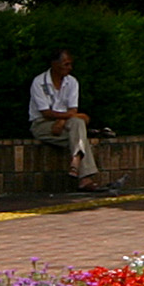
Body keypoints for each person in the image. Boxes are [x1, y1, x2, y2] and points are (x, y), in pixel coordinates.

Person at [29, 49, 106, 191]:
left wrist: (62, 121)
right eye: (66, 64)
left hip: (66, 125)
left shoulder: (72, 82)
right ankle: (85, 177)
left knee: (78, 123)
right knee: (79, 130)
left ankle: (78, 165)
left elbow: (72, 111)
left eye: (70, 64)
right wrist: (63, 119)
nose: (69, 68)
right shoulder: (39, 82)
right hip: (42, 124)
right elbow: (45, 112)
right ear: (54, 64)